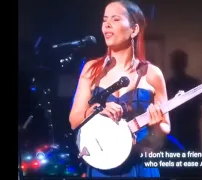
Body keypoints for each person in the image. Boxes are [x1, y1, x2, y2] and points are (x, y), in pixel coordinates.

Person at [69, 0, 170, 177]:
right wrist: (96, 111)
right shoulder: (92, 69)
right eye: (104, 19)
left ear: (134, 29)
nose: (107, 24)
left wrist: (156, 128)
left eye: (115, 19)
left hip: (140, 166)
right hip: (102, 166)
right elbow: (74, 120)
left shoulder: (153, 74)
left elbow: (165, 128)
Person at [166, 49, 202, 151]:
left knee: (190, 163)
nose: (177, 65)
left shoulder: (195, 84)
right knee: (173, 163)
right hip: (173, 133)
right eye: (176, 62)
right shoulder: (166, 85)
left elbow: (201, 110)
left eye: (179, 62)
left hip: (190, 133)